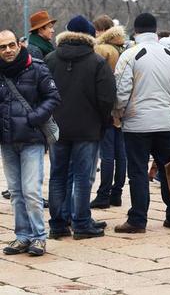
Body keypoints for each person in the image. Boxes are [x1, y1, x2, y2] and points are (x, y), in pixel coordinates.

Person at [45, 15, 116, 240]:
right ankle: (81, 222)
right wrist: (101, 122)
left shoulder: (50, 59)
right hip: (88, 128)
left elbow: (42, 93)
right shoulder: (96, 62)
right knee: (82, 177)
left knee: (58, 175)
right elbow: (106, 99)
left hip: (57, 128)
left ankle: (58, 223)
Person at [113, 13, 170, 233]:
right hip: (164, 123)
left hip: (136, 124)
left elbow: (121, 92)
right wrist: (167, 109)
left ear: (135, 31)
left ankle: (138, 219)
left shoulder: (129, 55)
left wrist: (120, 114)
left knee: (137, 171)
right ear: (155, 30)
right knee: (168, 169)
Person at [0, 29, 60, 256]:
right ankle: (22, 236)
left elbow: (53, 96)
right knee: (15, 192)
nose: (7, 50)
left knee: (32, 191)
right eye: (2, 46)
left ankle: (38, 237)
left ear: (18, 44)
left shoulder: (35, 66)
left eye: (11, 45)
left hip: (32, 139)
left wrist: (35, 117)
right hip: (7, 140)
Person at [89, 15, 127, 209]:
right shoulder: (123, 47)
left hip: (107, 108)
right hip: (124, 109)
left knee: (107, 154)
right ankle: (117, 192)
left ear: (101, 31)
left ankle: (103, 194)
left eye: (96, 30)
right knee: (121, 153)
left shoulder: (102, 49)